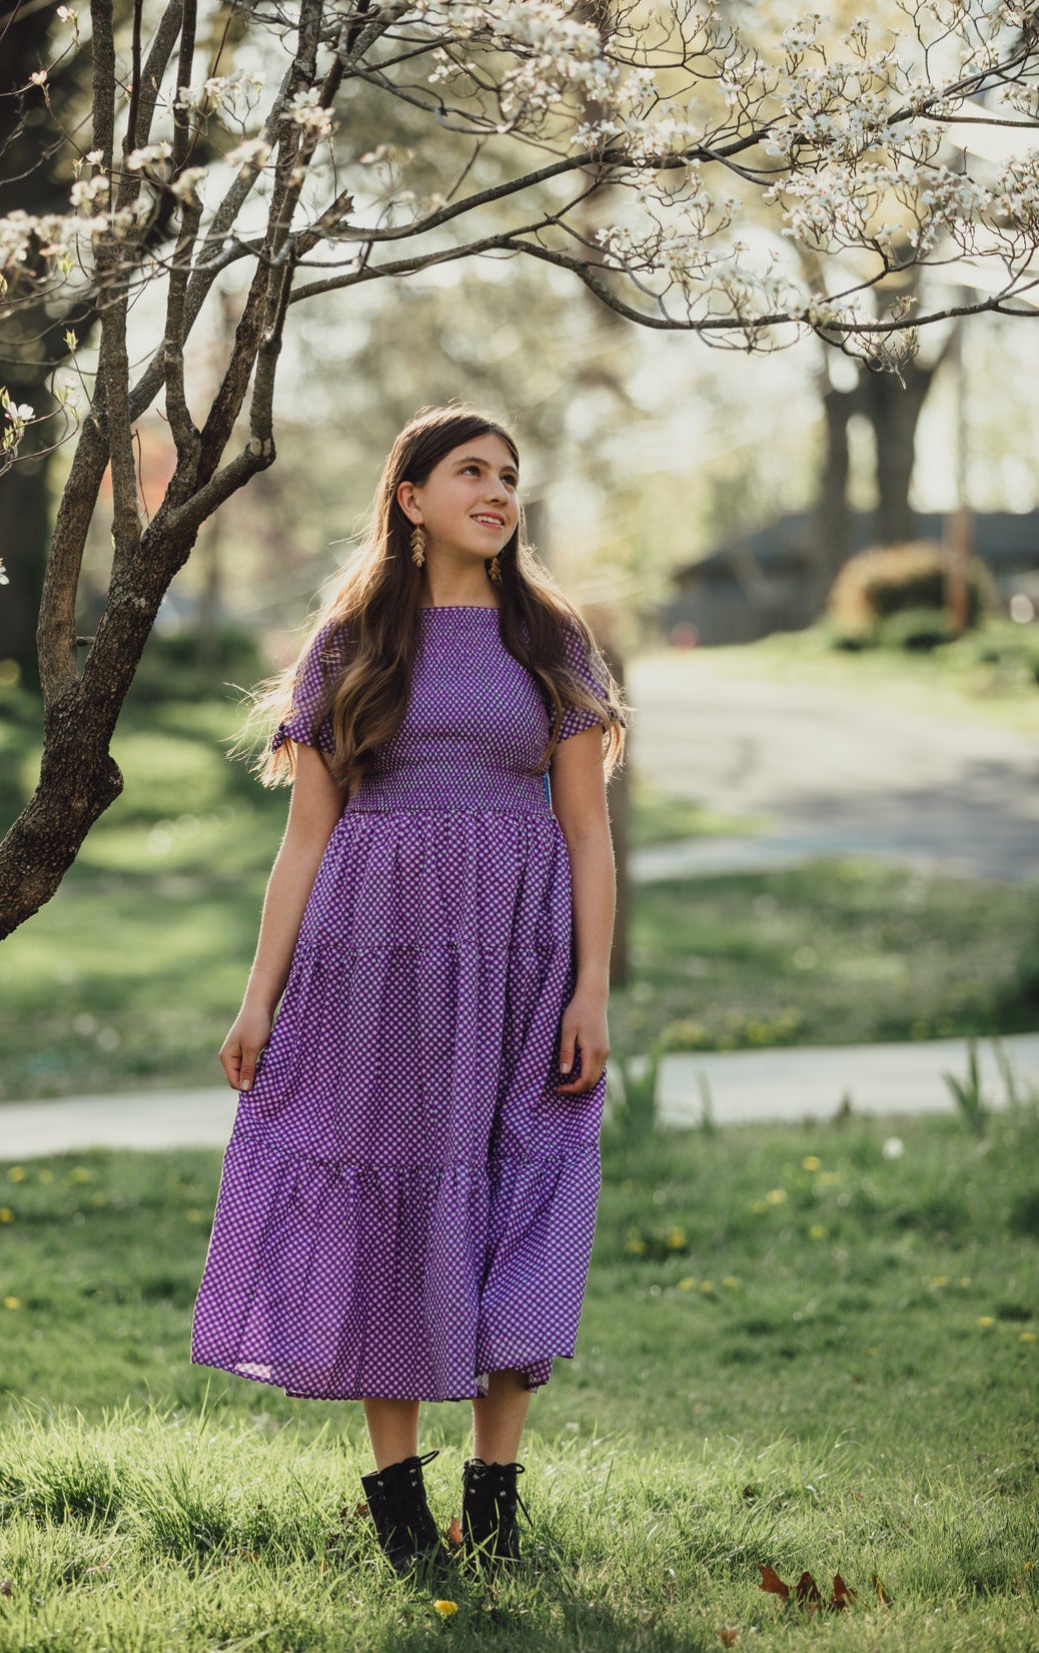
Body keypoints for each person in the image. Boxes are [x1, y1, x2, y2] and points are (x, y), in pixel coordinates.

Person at [190, 404, 629, 1579]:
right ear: (410, 496)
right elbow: (304, 838)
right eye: (471, 472)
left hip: (521, 959)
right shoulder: (353, 642)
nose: (497, 492)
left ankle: (495, 1493)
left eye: (510, 476)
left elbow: (588, 833)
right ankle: (398, 1503)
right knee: (391, 1197)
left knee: (513, 1193)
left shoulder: (550, 635)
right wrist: (257, 999)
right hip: (372, 961)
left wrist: (591, 985)